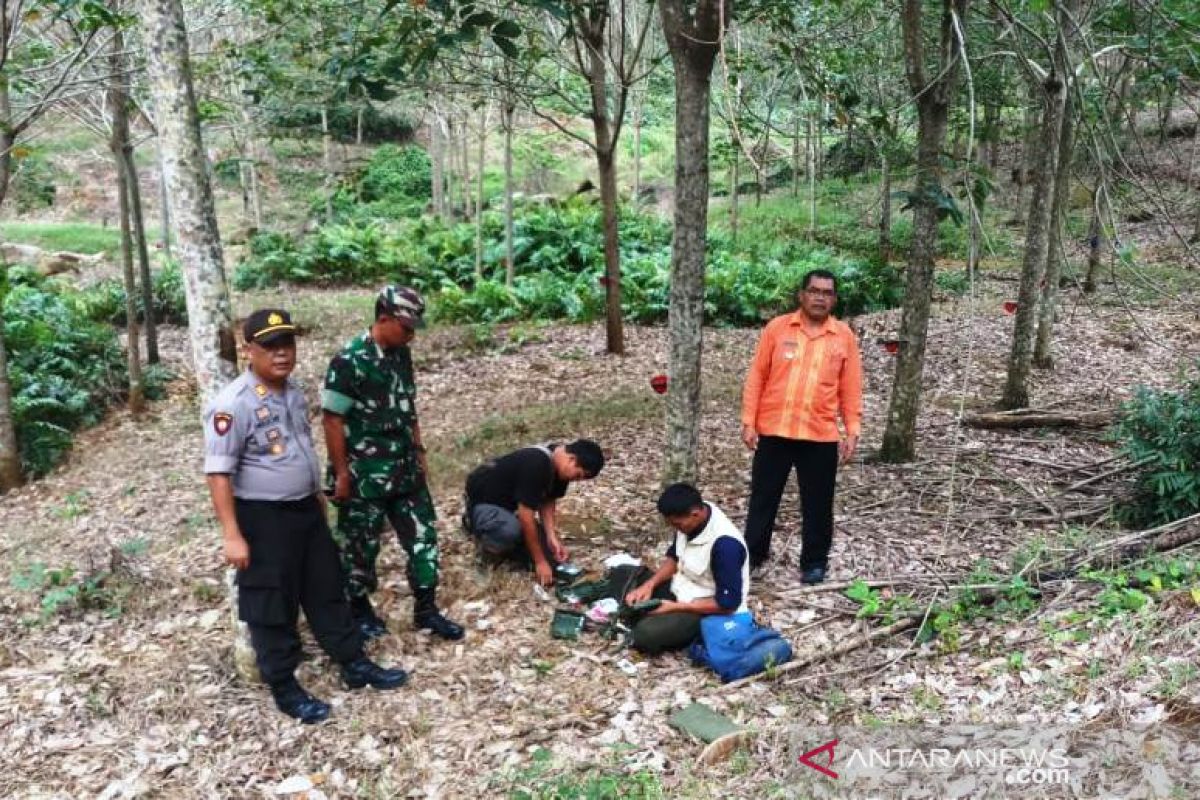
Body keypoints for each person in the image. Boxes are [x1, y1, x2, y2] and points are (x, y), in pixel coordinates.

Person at [203, 309, 409, 724]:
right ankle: (284, 685)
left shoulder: (292, 393)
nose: (281, 354)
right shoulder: (232, 405)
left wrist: (316, 499)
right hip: (263, 518)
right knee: (272, 603)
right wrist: (232, 534)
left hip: (305, 510)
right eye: (270, 346)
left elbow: (299, 452)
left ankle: (353, 662)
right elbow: (218, 473)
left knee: (326, 588)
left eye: (287, 344)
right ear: (249, 351)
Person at [322, 286, 463, 641]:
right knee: (360, 544)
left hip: (404, 469)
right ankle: (358, 609)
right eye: (406, 327)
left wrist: (420, 451)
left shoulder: (401, 355)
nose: (411, 335)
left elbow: (408, 408)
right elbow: (332, 420)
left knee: (423, 536)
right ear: (383, 319)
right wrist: (341, 473)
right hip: (363, 474)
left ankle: (427, 608)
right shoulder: (348, 361)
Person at [740, 268, 863, 584]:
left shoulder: (843, 336)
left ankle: (814, 562)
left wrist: (852, 429)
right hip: (775, 431)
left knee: (819, 503)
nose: (820, 297)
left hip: (819, 434)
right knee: (764, 497)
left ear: (834, 299)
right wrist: (748, 420)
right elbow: (757, 376)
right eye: (814, 291)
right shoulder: (777, 329)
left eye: (827, 292)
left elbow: (850, 387)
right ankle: (753, 554)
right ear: (802, 295)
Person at [624, 483, 749, 654]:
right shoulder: (692, 518)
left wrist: (676, 607)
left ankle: (679, 630)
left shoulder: (726, 546)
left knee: (644, 635)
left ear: (695, 514)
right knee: (624, 573)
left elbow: (728, 605)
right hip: (680, 587)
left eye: (677, 525)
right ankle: (644, 615)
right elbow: (675, 557)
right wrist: (650, 585)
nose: (676, 529)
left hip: (704, 609)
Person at [462, 440, 605, 587]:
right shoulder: (537, 463)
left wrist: (551, 537)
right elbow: (526, 516)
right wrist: (540, 562)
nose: (577, 480)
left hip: (513, 508)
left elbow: (549, 500)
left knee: (552, 561)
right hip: (486, 506)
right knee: (510, 532)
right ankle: (485, 555)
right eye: (578, 475)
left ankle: (509, 546)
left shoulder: (560, 465)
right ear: (572, 459)